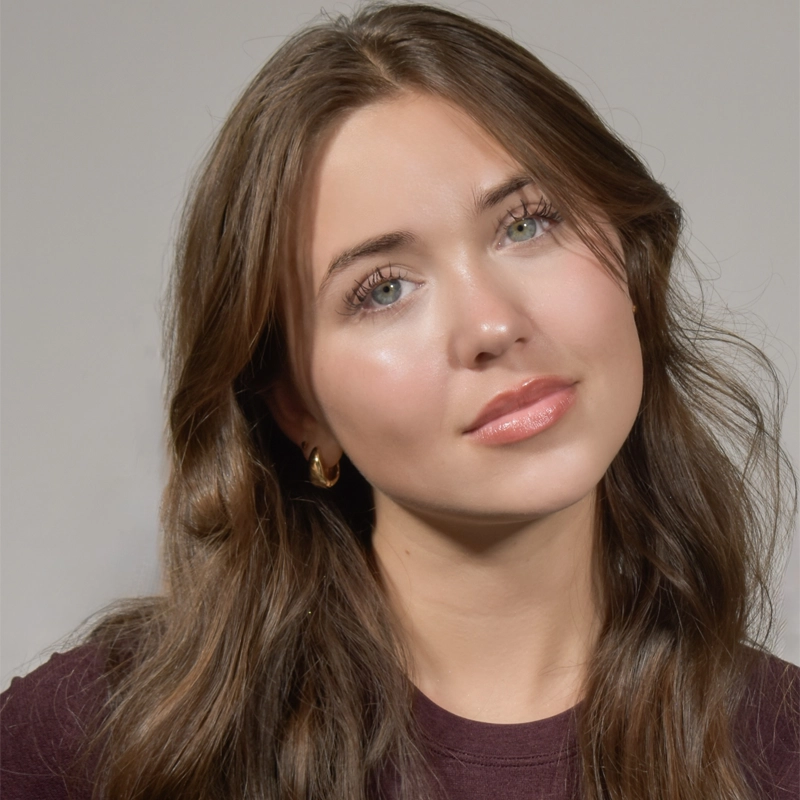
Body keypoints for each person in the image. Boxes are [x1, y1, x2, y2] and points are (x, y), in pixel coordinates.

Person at [2, 3, 797, 799]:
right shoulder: (102, 739)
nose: (492, 324)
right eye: (382, 289)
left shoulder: (782, 752)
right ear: (295, 408)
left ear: (631, 261)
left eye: (527, 224)